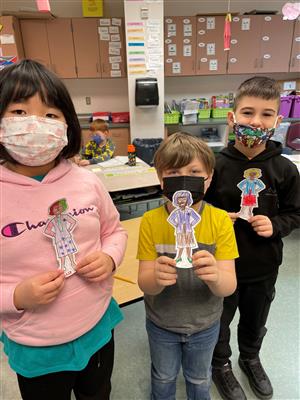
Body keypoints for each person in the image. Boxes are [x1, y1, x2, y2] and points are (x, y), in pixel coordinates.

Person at [0, 59, 127, 400]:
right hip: (37, 346)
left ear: (67, 125)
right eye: (19, 112)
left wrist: (110, 258)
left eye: (51, 115)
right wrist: (15, 297)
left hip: (98, 328)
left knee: (98, 394)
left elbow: (114, 231)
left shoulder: (87, 181)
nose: (36, 124)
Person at [204, 76, 300, 400]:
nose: (255, 121)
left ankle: (250, 357)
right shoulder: (213, 166)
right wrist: (217, 218)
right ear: (232, 118)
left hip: (263, 266)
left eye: (265, 114)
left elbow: (296, 213)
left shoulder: (285, 170)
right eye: (247, 113)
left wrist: (276, 225)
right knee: (219, 321)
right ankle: (221, 365)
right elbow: (198, 212)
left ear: (278, 120)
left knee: (255, 320)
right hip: (222, 268)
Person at [137, 132, 239, 400]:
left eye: (194, 171)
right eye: (173, 172)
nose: (184, 178)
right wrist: (156, 278)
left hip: (205, 324)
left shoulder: (219, 221)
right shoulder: (150, 221)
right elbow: (144, 282)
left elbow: (229, 285)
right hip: (162, 323)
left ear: (209, 179)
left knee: (199, 378)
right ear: (161, 179)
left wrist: (216, 276)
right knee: (163, 376)